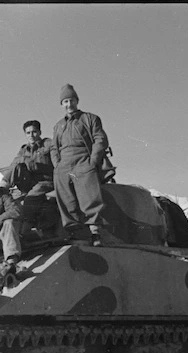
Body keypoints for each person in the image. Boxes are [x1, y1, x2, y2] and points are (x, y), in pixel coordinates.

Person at [50, 84, 108, 246]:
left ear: (77, 101)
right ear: (62, 104)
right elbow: (54, 147)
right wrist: (57, 164)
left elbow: (100, 139)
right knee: (66, 199)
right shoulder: (58, 125)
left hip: (84, 159)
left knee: (89, 196)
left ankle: (95, 231)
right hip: (64, 164)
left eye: (72, 100)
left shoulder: (89, 118)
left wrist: (93, 161)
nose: (69, 104)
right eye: (65, 101)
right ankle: (74, 231)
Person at [1, 120, 57, 236]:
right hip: (30, 183)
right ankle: (2, 189)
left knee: (29, 199)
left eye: (34, 132)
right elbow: (13, 166)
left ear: (40, 132)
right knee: (16, 166)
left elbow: (56, 162)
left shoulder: (48, 144)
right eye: (28, 133)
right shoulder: (24, 150)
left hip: (45, 181)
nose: (31, 135)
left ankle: (26, 225)